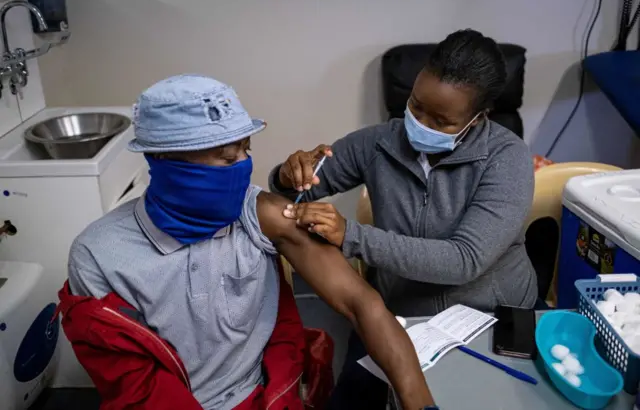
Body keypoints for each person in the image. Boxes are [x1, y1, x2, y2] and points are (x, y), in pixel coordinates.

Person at [62, 75, 435, 410]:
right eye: (227, 158)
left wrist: (421, 403)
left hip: (263, 396)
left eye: (246, 151)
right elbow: (138, 389)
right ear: (162, 157)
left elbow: (361, 303)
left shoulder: (259, 214)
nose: (243, 167)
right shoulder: (99, 256)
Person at [269, 29, 537, 409]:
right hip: (396, 312)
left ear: (478, 118)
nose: (422, 124)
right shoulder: (378, 143)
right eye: (416, 105)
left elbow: (464, 260)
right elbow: (296, 192)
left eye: (441, 121)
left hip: (486, 316)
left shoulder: (507, 159)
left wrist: (350, 236)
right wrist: (287, 174)